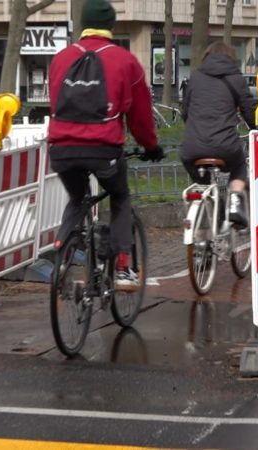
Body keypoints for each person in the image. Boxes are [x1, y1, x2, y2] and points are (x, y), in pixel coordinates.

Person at [48, 0, 163, 292]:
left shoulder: (61, 58)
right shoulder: (125, 61)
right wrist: (151, 146)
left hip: (61, 148)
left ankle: (61, 252)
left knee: (77, 198)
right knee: (120, 196)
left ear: (83, 23)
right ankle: (123, 268)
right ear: (112, 26)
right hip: (104, 149)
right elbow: (140, 116)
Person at [180, 41, 258, 227]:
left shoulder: (195, 77)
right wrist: (257, 130)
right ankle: (235, 203)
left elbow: (185, 112)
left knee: (195, 169)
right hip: (226, 146)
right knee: (239, 165)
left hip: (192, 147)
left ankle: (206, 194)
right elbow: (249, 111)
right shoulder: (236, 78)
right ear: (232, 59)